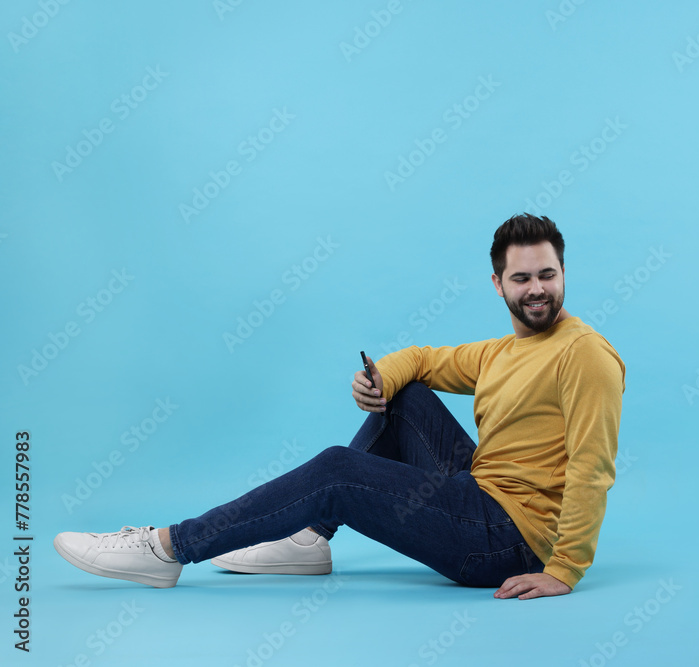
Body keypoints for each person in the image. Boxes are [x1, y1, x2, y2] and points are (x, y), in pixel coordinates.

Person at [53, 213, 626, 600]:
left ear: (564, 275)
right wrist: (375, 381)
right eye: (521, 277)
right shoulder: (504, 351)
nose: (536, 289)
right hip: (482, 495)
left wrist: (563, 570)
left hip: (508, 541)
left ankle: (169, 547)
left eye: (547, 275)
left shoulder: (584, 354)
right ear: (497, 284)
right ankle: (310, 540)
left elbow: (593, 468)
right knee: (406, 397)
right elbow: (423, 359)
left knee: (336, 470)